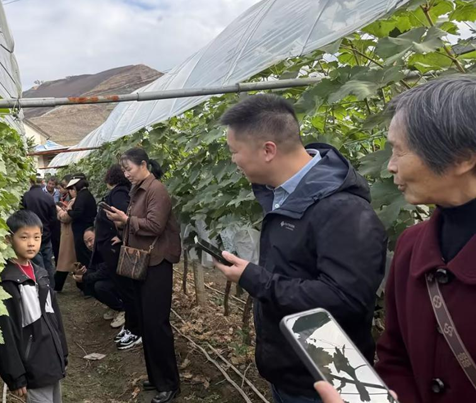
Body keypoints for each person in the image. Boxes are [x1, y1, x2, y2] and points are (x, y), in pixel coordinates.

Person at [214, 94, 387, 403]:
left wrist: (256, 280)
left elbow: (344, 299)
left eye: (234, 151)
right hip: (292, 372)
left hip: (327, 382)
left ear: (268, 150)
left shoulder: (343, 210)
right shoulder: (281, 197)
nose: (233, 160)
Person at [375, 76, 476, 403]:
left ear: (462, 158)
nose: (390, 166)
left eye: (399, 151)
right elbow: (394, 356)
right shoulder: (412, 245)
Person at [105, 148, 182, 403]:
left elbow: (155, 225)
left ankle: (170, 384)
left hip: (157, 263)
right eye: (124, 169)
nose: (126, 173)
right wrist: (122, 223)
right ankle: (157, 377)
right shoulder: (137, 189)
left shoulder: (155, 189)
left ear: (144, 165)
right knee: (147, 323)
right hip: (143, 262)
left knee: (157, 324)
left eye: (129, 168)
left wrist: (126, 220)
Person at [0, 210, 68, 403]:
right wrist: (15, 375)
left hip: (52, 359)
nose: (31, 243)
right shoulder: (7, 282)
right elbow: (4, 332)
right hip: (31, 364)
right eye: (24, 237)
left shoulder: (41, 274)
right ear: (9, 239)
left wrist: (63, 353)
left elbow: (55, 318)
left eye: (36, 237)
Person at [95, 164, 134, 331]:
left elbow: (123, 216)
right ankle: (126, 312)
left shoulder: (118, 192)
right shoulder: (120, 191)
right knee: (119, 281)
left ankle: (127, 314)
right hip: (110, 246)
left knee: (122, 283)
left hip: (112, 248)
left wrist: (119, 236)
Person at [74, 228, 125, 327]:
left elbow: (104, 272)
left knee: (99, 286)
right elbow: (93, 270)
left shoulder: (107, 249)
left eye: (90, 240)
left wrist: (85, 278)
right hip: (109, 280)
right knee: (89, 284)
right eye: (86, 242)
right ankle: (113, 306)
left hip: (120, 282)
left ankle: (123, 309)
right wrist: (83, 274)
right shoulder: (94, 252)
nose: (89, 244)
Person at [21, 177, 57, 281]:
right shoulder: (49, 197)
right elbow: (54, 218)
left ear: (30, 183)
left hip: (31, 235)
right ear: (42, 183)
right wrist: (48, 230)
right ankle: (51, 288)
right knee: (48, 263)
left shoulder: (26, 196)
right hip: (46, 234)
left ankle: (43, 289)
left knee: (38, 264)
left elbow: (23, 215)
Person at [66, 175, 97, 271]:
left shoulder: (81, 196)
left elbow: (78, 213)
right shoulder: (87, 194)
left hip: (81, 230)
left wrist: (69, 211)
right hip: (87, 226)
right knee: (88, 253)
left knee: (83, 255)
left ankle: (85, 277)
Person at [54, 189, 77, 292]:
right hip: (72, 233)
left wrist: (59, 210)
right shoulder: (78, 200)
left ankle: (57, 286)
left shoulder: (74, 201)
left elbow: (66, 218)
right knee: (72, 260)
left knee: (64, 262)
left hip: (69, 234)